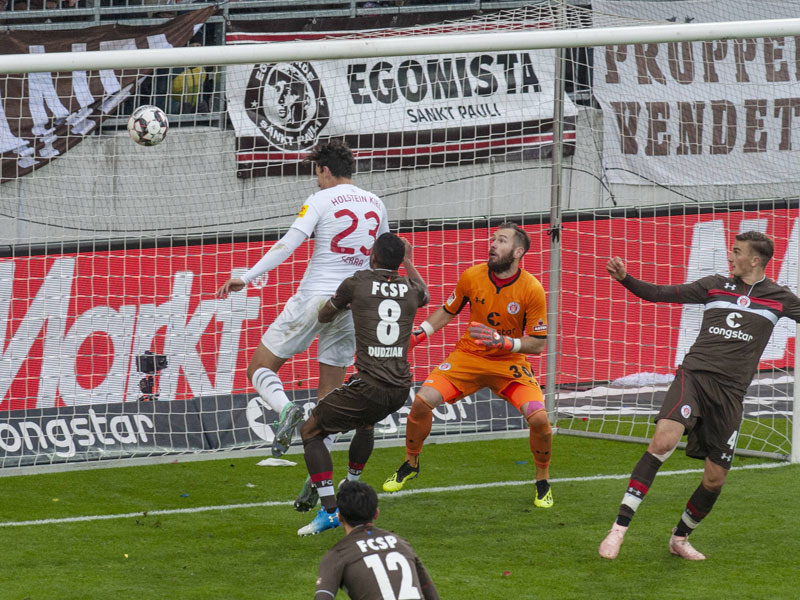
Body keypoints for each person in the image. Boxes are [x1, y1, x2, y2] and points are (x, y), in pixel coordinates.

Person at [598, 231, 800, 561]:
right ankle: (618, 529)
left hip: (731, 394)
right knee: (663, 441)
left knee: (715, 478)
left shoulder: (779, 297)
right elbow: (660, 294)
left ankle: (680, 538)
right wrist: (625, 278)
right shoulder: (713, 285)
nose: (730, 257)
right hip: (694, 377)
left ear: (754, 260)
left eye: (736, 252)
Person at [216, 139, 389, 466]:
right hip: (354, 301)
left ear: (325, 170)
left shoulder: (321, 199)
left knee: (258, 368)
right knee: (330, 396)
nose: (317, 180)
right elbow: (383, 256)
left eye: (317, 173)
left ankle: (285, 409)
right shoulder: (376, 203)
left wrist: (247, 276)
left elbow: (290, 242)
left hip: (316, 297)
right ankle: (319, 475)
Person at [382, 222, 554, 508]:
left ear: (518, 252)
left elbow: (537, 343)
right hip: (468, 358)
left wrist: (505, 343)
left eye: (502, 241)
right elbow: (448, 310)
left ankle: (543, 479)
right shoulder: (472, 275)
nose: (493, 244)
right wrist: (420, 333)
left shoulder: (532, 289)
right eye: (493, 239)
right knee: (422, 402)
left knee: (539, 419)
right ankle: (411, 463)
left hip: (508, 363)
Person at [298, 232, 429, 536]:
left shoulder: (357, 282)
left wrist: (342, 305)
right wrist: (408, 259)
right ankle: (351, 482)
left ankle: (330, 510)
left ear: (372, 257)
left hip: (369, 384)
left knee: (310, 431)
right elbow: (425, 294)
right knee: (366, 424)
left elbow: (325, 314)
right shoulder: (410, 290)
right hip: (399, 389)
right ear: (399, 261)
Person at [315, 481, 439, 599]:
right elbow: (431, 594)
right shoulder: (402, 543)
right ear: (376, 514)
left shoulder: (337, 555)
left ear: (339, 517)